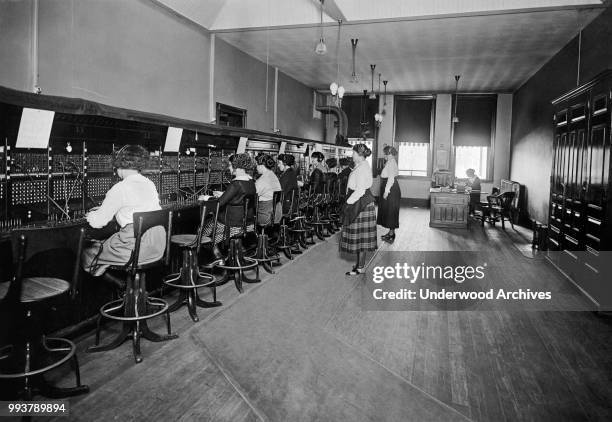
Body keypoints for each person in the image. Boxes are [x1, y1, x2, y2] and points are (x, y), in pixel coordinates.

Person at [82, 145, 165, 277]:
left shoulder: (120, 188)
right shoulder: (149, 183)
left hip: (135, 249)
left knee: (87, 253)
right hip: (157, 246)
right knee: (106, 246)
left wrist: (91, 214)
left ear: (120, 165)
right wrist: (111, 209)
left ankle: (120, 287)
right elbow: (137, 208)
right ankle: (126, 285)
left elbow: (98, 222)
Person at [340, 143, 377, 275]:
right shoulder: (362, 165)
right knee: (361, 238)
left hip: (360, 202)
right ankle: (360, 265)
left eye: (353, 153)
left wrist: (348, 203)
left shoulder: (362, 168)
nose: (352, 155)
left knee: (361, 238)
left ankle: (360, 267)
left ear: (359, 155)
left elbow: (360, 190)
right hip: (362, 201)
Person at [203, 153, 257, 245]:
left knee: (206, 225)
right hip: (248, 223)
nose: (229, 168)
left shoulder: (236, 183)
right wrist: (225, 194)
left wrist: (207, 198)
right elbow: (240, 196)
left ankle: (208, 249)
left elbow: (219, 203)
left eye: (230, 165)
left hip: (231, 224)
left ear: (236, 166)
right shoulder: (251, 182)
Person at [377, 145, 400, 242]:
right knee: (390, 212)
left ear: (390, 154)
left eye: (385, 153)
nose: (384, 155)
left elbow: (390, 178)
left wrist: (386, 192)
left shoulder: (391, 163)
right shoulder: (390, 162)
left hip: (391, 189)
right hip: (391, 187)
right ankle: (391, 233)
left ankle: (391, 235)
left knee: (391, 212)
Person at [255, 154, 282, 225]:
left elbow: (253, 196)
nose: (256, 167)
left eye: (257, 165)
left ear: (261, 166)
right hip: (277, 215)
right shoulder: (274, 176)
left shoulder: (262, 180)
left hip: (265, 216)